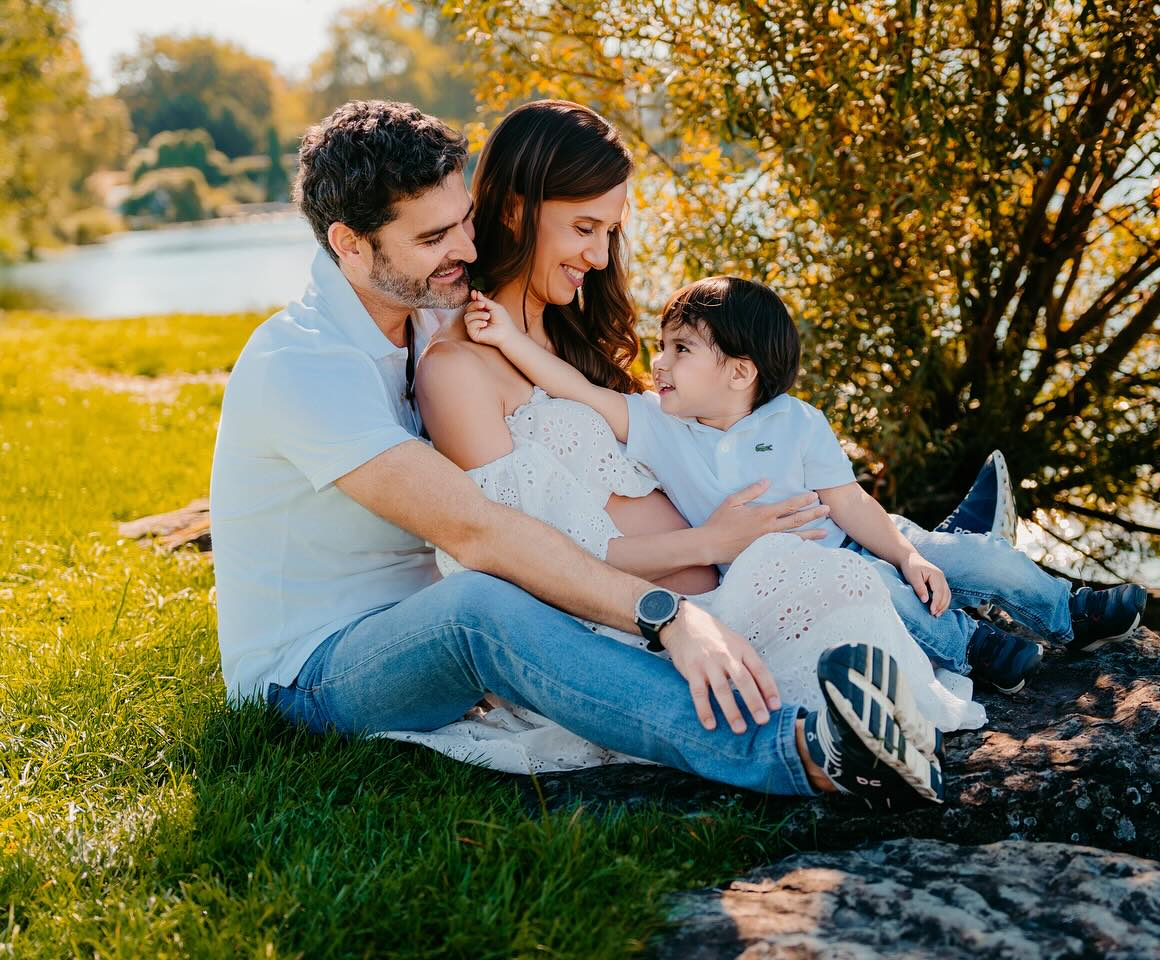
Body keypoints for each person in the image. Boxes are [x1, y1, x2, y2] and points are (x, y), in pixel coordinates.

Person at [209, 99, 949, 813]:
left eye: (464, 221)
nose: (465, 250)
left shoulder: (429, 311)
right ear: (348, 244)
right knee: (479, 608)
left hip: (421, 626)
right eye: (434, 239)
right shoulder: (302, 364)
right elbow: (478, 532)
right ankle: (799, 752)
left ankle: (946, 579)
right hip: (313, 671)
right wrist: (668, 617)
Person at [463, 273, 1056, 693]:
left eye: (681, 349)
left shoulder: (796, 421)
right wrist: (507, 339)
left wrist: (906, 553)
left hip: (851, 537)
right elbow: (579, 391)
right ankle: (976, 647)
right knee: (880, 587)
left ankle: (1067, 607)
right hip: (794, 578)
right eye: (662, 347)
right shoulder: (656, 423)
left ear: (740, 372)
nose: (658, 363)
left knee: (952, 556)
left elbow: (848, 500)